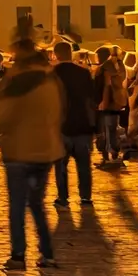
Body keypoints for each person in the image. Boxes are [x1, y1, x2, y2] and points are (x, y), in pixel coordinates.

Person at [0, 24, 64, 270]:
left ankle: (18, 255)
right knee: (37, 203)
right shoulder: (50, 78)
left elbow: (2, 116)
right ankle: (48, 253)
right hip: (45, 149)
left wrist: (1, 131)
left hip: (18, 150)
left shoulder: (15, 79)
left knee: (17, 205)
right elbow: (58, 113)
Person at [51, 42, 96, 208]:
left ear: (56, 54)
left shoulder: (52, 74)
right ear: (72, 54)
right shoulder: (84, 73)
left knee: (61, 166)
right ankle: (85, 197)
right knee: (84, 165)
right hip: (82, 124)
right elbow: (91, 101)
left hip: (60, 127)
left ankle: (63, 197)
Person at [94, 46, 129, 163]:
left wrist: (103, 101)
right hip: (115, 103)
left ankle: (107, 156)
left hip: (106, 103)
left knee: (105, 130)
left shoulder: (105, 68)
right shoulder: (116, 67)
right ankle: (113, 154)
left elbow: (106, 86)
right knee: (112, 128)